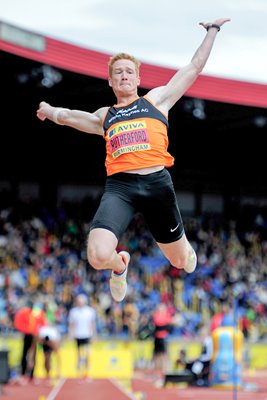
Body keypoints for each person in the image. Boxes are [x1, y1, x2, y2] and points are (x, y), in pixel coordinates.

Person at [36, 18, 231, 302]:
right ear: (111, 81)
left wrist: (213, 31)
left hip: (157, 186)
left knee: (181, 262)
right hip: (121, 188)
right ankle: (120, 265)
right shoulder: (105, 116)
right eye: (118, 72)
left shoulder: (157, 101)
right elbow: (68, 117)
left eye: (129, 71)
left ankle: (185, 246)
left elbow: (194, 67)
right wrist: (49, 109)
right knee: (97, 255)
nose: (124, 76)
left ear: (138, 79)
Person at [68, 294, 97, 380]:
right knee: (78, 355)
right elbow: (71, 324)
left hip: (87, 335)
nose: (80, 303)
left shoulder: (90, 311)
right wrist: (70, 334)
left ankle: (87, 373)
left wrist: (94, 335)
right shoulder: (73, 311)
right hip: (77, 335)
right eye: (78, 301)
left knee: (88, 354)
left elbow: (92, 324)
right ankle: (79, 373)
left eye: (81, 301)